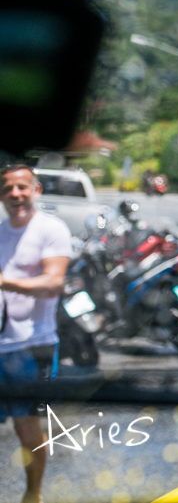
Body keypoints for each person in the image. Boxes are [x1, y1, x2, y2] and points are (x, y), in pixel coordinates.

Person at [0, 164, 71, 503]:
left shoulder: (51, 229)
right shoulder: (0, 231)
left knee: (25, 426)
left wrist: (5, 281)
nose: (15, 194)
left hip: (32, 346)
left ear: (36, 190)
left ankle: (33, 494)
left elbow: (54, 283)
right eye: (7, 188)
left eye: (22, 187)